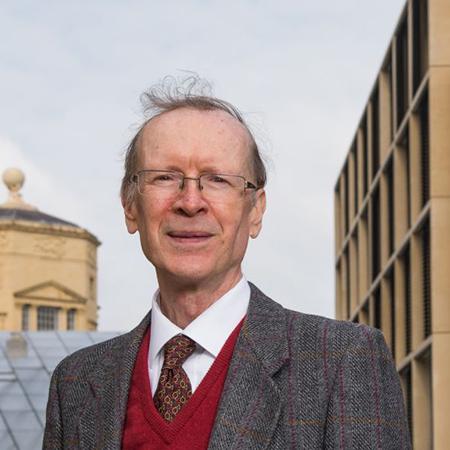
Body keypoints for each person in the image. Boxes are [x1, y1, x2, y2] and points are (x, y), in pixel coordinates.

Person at [43, 77, 410, 449]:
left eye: (217, 179)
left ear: (255, 210)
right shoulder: (75, 383)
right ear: (130, 206)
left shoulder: (342, 362)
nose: (190, 202)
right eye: (165, 177)